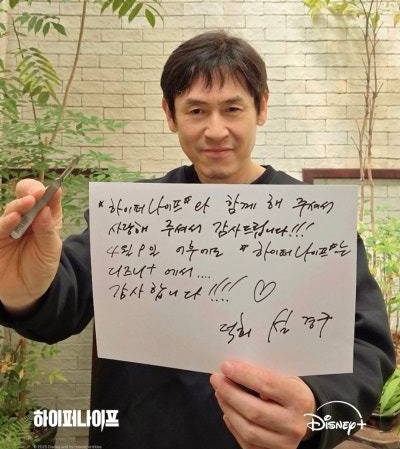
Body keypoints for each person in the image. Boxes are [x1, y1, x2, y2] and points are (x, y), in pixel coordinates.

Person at [0, 31, 395, 449]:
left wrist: (318, 411)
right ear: (170, 115)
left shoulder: (315, 220)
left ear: (261, 107)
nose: (216, 130)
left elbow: (368, 351)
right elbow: (65, 297)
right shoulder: (133, 216)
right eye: (196, 110)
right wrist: (24, 290)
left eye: (232, 109)